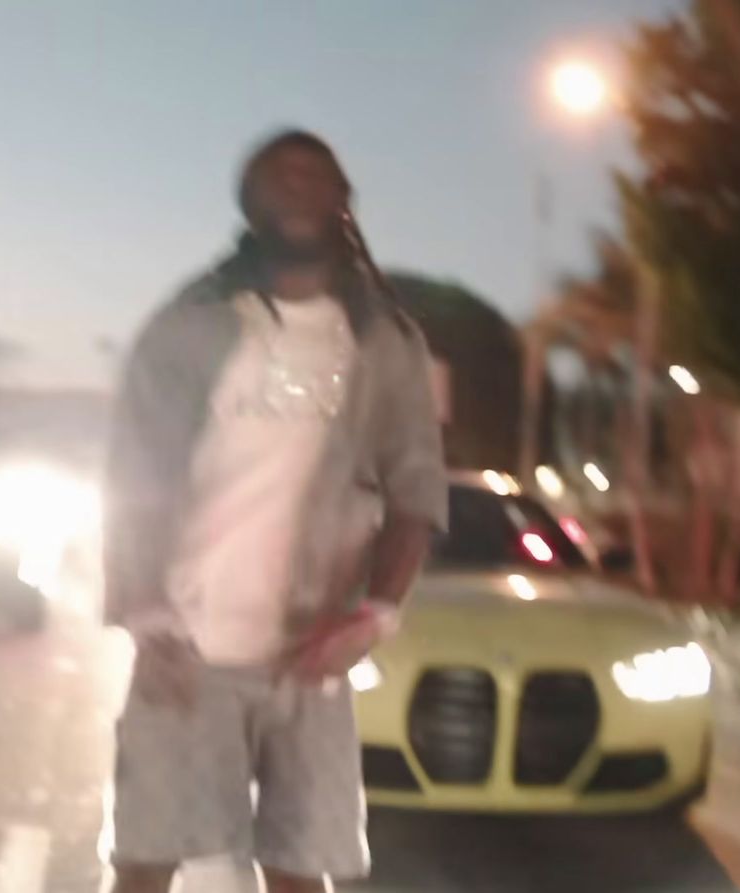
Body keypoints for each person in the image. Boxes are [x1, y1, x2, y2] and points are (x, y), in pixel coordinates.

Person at [101, 130, 448, 893]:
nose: (296, 185)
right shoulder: (188, 326)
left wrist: (378, 613)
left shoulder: (386, 344)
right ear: (251, 203)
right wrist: (142, 608)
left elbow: (417, 485)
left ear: (343, 201)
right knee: (144, 864)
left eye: (313, 173)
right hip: (185, 648)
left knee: (303, 871)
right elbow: (133, 473)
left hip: (311, 655)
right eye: (276, 176)